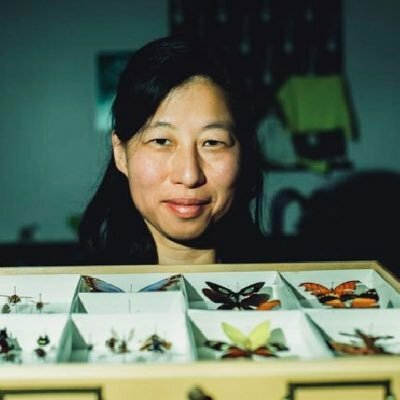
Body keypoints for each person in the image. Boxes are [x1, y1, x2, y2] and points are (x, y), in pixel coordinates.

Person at [79, 35, 264, 265]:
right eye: (161, 141)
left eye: (212, 142)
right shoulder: (79, 287)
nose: (189, 176)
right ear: (121, 153)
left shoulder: (288, 284)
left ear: (244, 153)